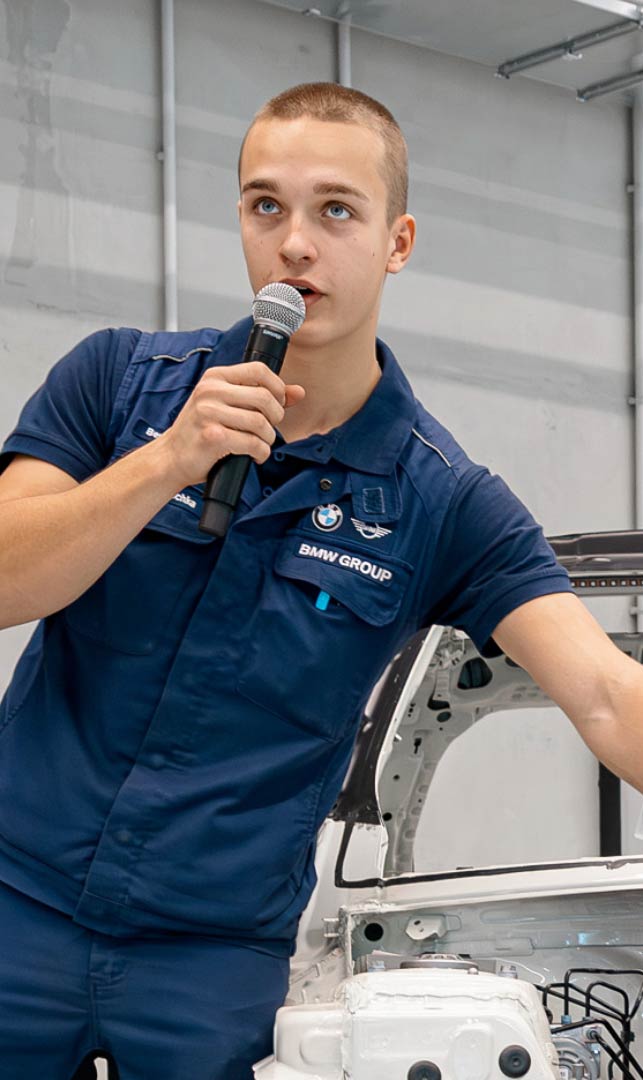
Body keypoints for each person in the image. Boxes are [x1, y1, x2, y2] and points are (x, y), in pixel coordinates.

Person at [0, 81, 641, 1079]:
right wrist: (163, 464)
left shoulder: (443, 501)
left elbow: (606, 695)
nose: (295, 243)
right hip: (13, 905)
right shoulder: (116, 385)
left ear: (397, 240)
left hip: (210, 966)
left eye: (335, 210)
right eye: (267, 207)